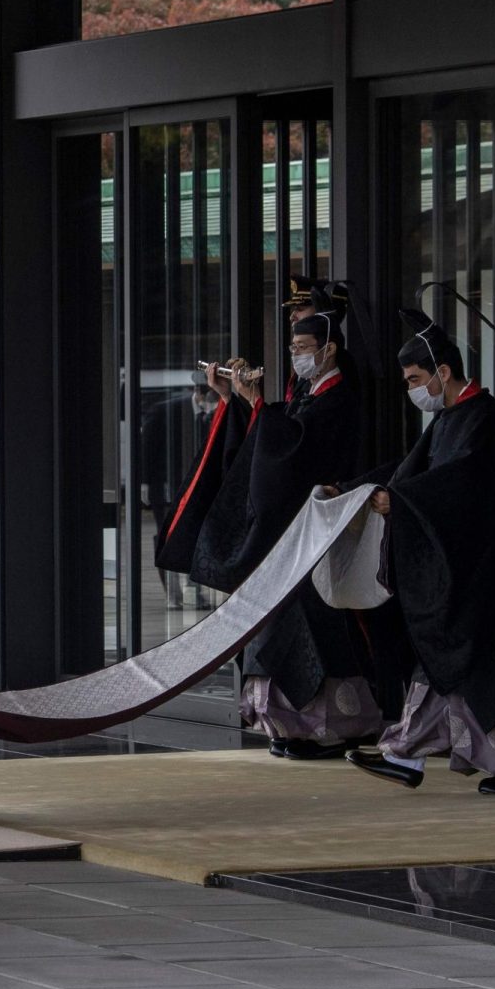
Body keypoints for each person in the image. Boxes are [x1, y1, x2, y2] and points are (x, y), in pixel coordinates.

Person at [345, 311, 495, 793]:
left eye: (414, 379)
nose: (411, 389)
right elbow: (412, 474)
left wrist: (400, 502)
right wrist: (358, 489)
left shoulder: (486, 422)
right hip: (472, 573)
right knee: (445, 662)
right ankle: (404, 754)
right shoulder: (456, 418)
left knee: (493, 671)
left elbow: (461, 487)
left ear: (443, 373)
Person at [163, 298, 383, 757]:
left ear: (329, 350)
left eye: (304, 345)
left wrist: (256, 404)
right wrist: (235, 400)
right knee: (274, 627)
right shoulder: (309, 393)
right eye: (293, 344)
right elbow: (277, 432)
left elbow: (292, 450)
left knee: (317, 627)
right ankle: (286, 728)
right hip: (292, 532)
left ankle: (332, 728)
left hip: (320, 532)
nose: (297, 353)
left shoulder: (340, 396)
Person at [140, 374, 218, 609]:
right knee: (167, 537)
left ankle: (194, 592)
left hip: (192, 486)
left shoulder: (211, 415)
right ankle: (173, 594)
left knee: (193, 537)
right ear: (199, 395)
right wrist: (144, 482)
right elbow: (147, 447)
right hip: (164, 486)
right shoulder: (165, 411)